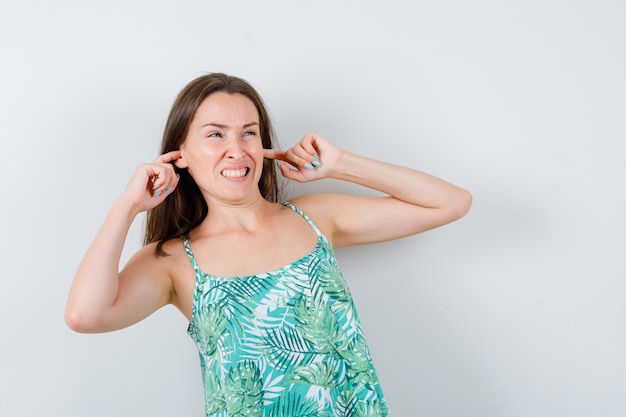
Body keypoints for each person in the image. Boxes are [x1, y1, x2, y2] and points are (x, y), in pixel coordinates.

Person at [65, 73, 472, 416]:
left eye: (249, 133)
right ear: (180, 154)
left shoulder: (314, 218)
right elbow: (85, 315)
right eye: (215, 135)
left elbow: (452, 202)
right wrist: (128, 205)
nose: (236, 150)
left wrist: (340, 164)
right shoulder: (173, 261)